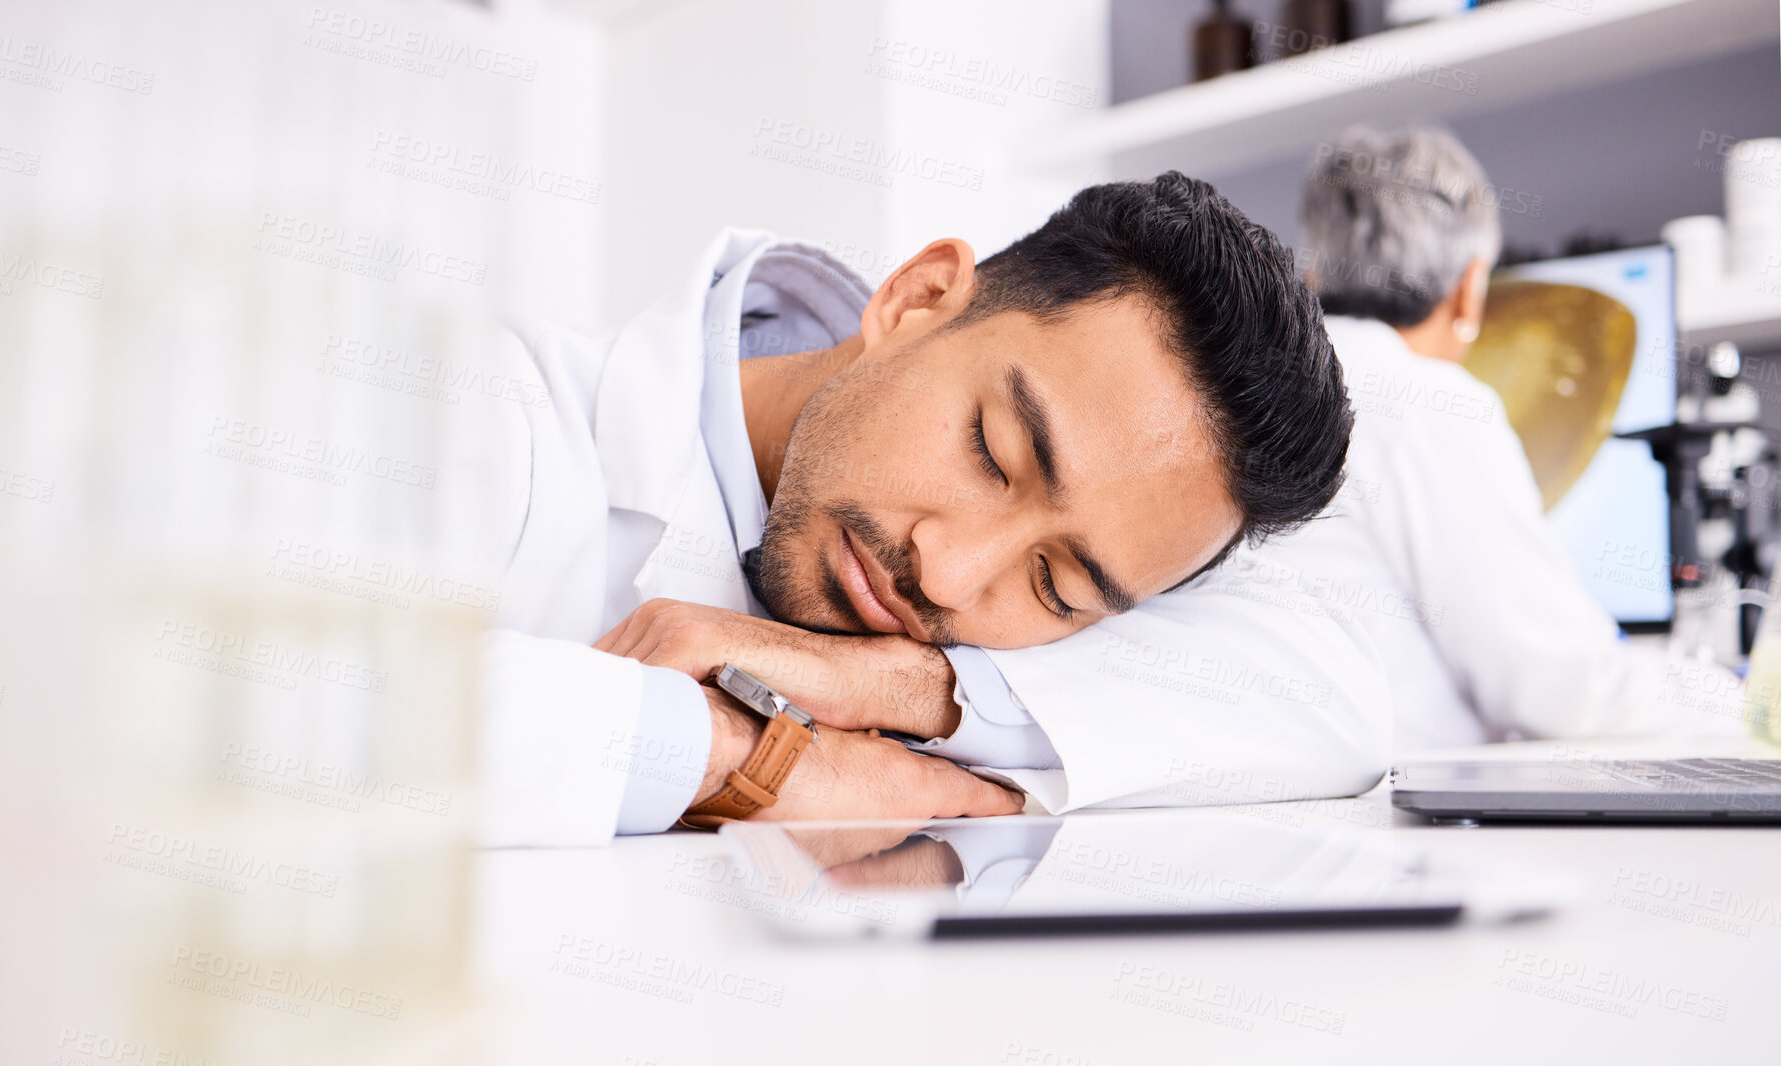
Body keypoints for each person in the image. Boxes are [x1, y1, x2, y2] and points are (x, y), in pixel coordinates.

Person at [478, 173, 1393, 847]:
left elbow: (1338, 701)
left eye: (1057, 585)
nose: (950, 576)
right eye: (993, 455)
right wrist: (737, 754)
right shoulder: (494, 413)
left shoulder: (973, 626)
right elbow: (349, 699)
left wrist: (897, 686)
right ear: (916, 300)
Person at [1277, 126, 1741, 750]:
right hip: (1395, 816)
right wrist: (1748, 705)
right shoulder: (1429, 402)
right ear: (1470, 289)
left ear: (1309, 277)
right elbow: (1560, 693)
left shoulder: (1257, 390)